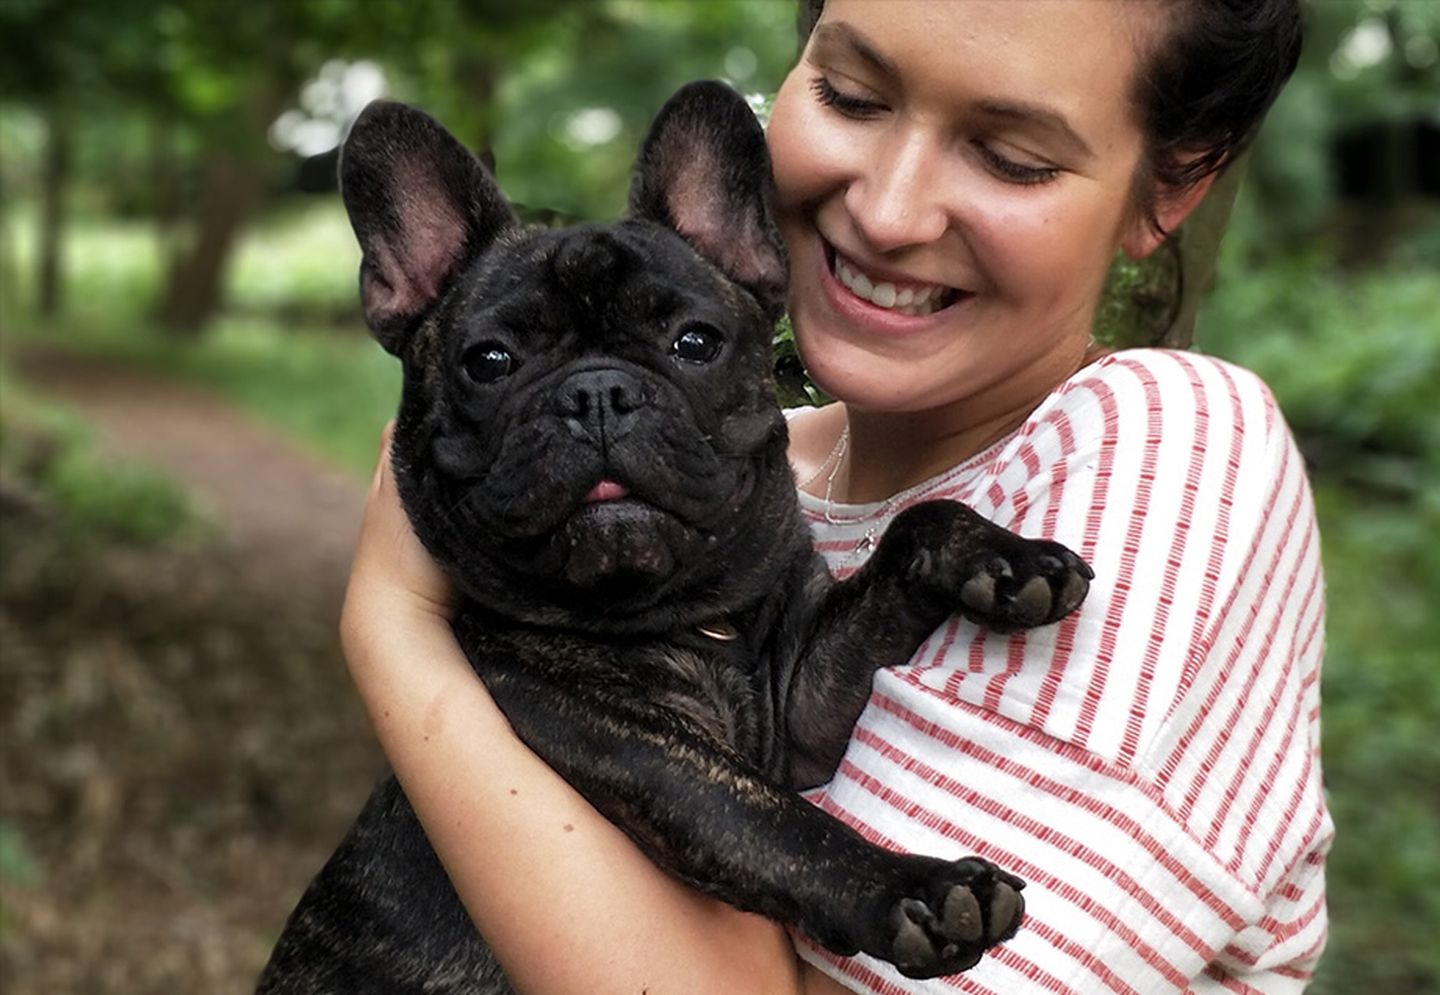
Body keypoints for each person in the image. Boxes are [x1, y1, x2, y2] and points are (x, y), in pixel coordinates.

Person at [339, 1, 1330, 991]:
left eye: (1016, 156)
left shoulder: (1169, 446)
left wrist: (394, 623)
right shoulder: (776, 496)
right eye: (850, 95)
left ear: (1174, 184)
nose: (891, 210)